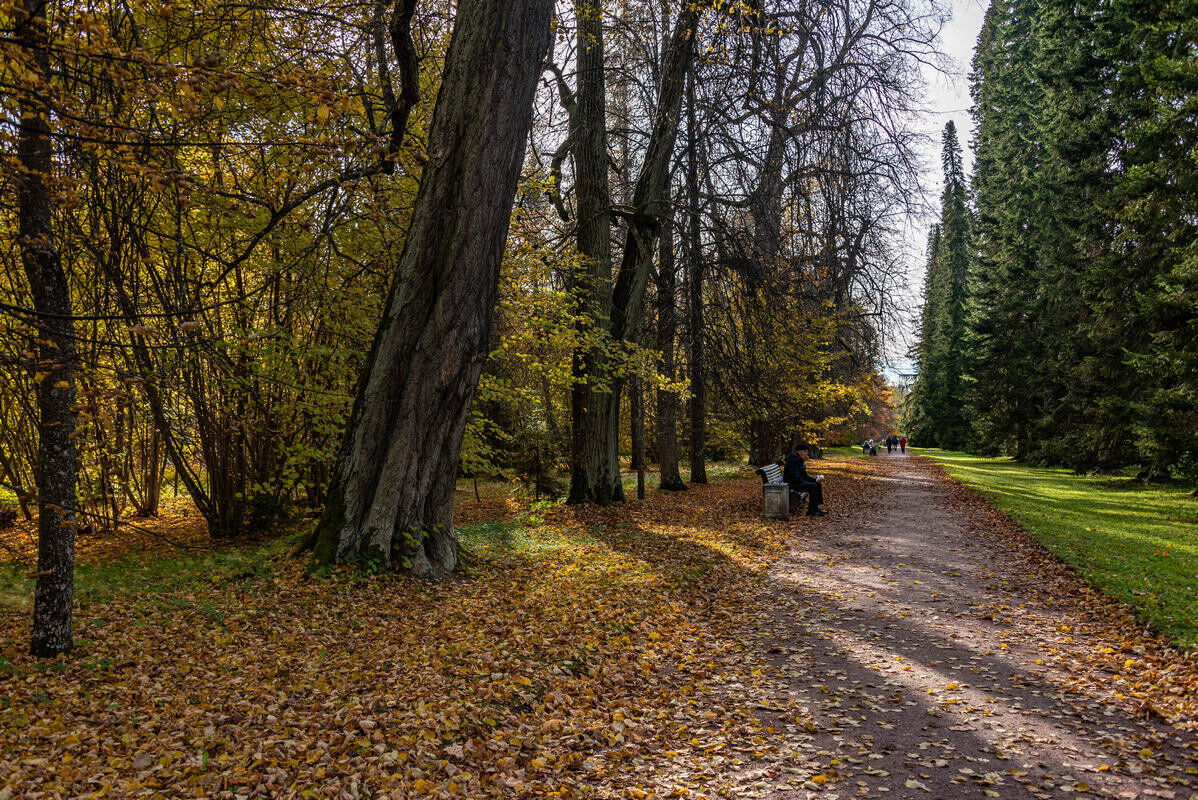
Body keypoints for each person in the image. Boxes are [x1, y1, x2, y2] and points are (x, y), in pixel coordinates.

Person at [783, 441, 826, 516]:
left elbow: (804, 476)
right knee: (813, 486)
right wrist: (807, 482)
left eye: (807, 451)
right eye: (804, 451)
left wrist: (815, 479)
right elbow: (795, 478)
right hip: (791, 484)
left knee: (817, 484)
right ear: (798, 451)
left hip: (797, 482)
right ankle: (811, 511)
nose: (806, 453)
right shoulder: (793, 461)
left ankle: (815, 508)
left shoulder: (799, 460)